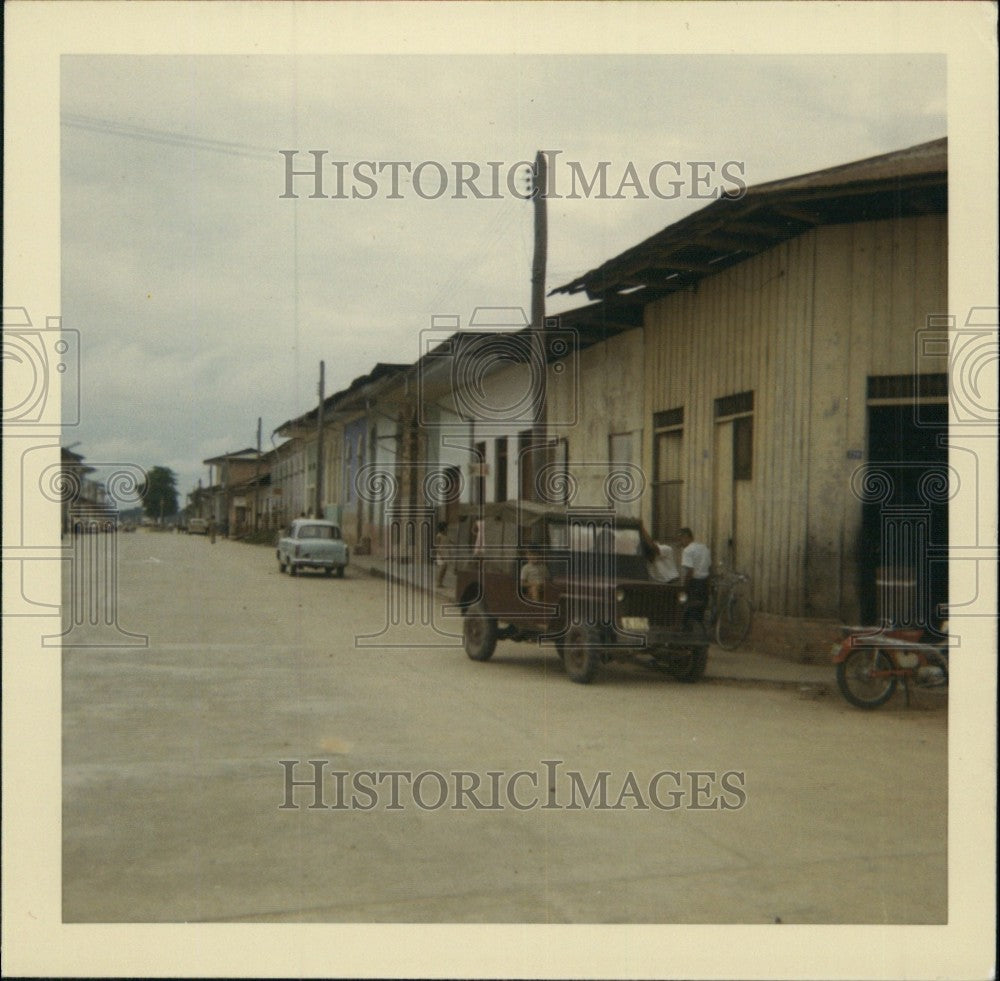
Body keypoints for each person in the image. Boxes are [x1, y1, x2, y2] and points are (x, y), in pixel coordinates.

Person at [677, 527, 711, 630]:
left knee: (687, 608)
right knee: (700, 609)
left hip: (694, 584)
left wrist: (684, 587)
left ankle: (686, 633)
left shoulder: (687, 551)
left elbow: (690, 571)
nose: (680, 543)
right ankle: (699, 634)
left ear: (686, 537)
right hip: (704, 583)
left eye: (680, 539)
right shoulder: (704, 548)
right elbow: (709, 567)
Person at [434, 521, 451, 589]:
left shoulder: (445, 535)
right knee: (441, 568)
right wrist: (441, 555)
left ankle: (441, 582)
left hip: (446, 552)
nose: (447, 528)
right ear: (443, 528)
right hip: (441, 553)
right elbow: (437, 547)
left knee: (445, 569)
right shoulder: (439, 535)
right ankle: (438, 582)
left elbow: (448, 542)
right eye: (446, 527)